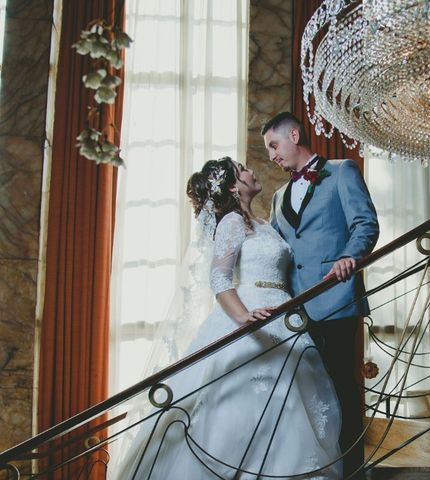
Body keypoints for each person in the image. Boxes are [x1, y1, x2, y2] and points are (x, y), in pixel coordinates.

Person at [113, 157, 342, 479]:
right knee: (237, 404)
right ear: (234, 186)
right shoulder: (231, 222)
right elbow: (220, 278)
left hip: (283, 312)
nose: (251, 171)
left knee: (291, 405)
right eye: (243, 169)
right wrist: (244, 316)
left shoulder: (263, 224)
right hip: (252, 313)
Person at [263, 112, 379, 479]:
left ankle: (353, 471)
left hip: (336, 299)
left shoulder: (342, 171)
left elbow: (365, 222)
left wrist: (350, 255)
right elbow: (277, 249)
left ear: (294, 135)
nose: (271, 156)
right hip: (295, 315)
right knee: (310, 397)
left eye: (273, 146)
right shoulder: (279, 196)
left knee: (342, 389)